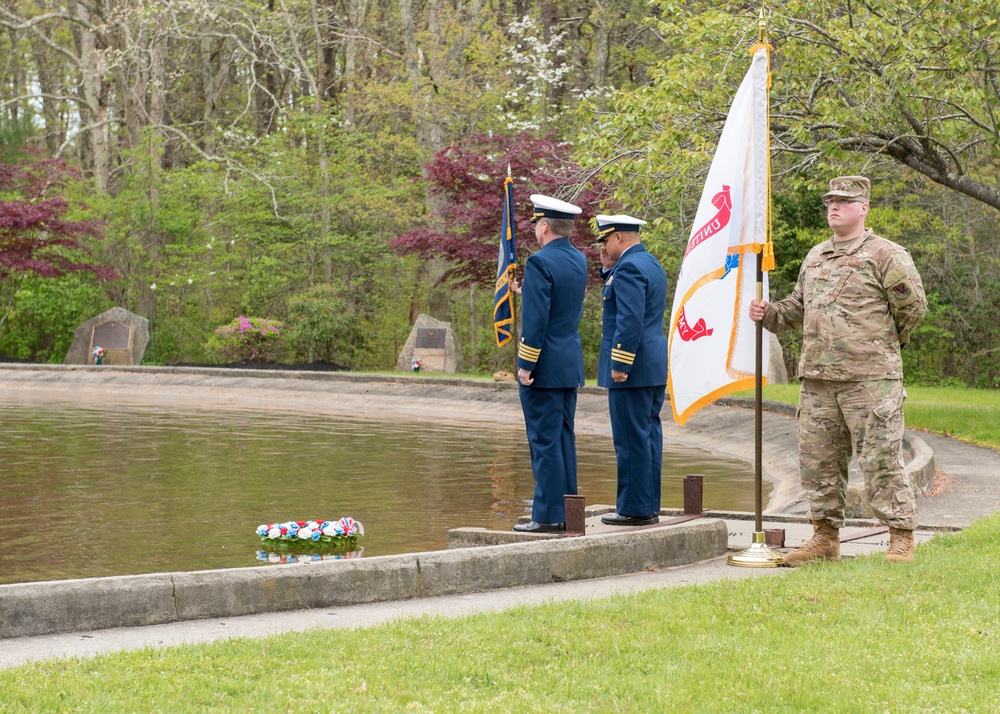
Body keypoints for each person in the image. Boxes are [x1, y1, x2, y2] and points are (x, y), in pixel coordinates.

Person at [749, 175, 927, 565]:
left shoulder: (885, 255)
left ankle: (900, 537)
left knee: (881, 460)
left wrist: (881, 346)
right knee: (818, 465)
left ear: (863, 208)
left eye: (844, 202)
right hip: (818, 380)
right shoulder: (816, 256)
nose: (834, 207)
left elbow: (912, 309)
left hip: (870, 380)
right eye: (830, 201)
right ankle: (824, 538)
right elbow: (798, 307)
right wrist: (770, 313)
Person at [510, 194, 589, 534]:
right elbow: (560, 305)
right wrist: (527, 291)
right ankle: (567, 511)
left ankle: (546, 516)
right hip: (568, 364)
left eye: (536, 225)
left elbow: (538, 319)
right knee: (562, 440)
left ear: (544, 226)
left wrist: (526, 362)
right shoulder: (578, 260)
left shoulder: (540, 262)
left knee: (544, 442)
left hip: (543, 368)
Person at [595, 214, 669, 527]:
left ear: (619, 238)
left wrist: (620, 363)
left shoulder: (628, 268)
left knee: (629, 439)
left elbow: (629, 319)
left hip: (633, 368)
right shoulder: (649, 262)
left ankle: (633, 509)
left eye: (606, 240)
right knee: (648, 436)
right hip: (652, 364)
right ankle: (647, 505)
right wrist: (607, 269)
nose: (603, 246)